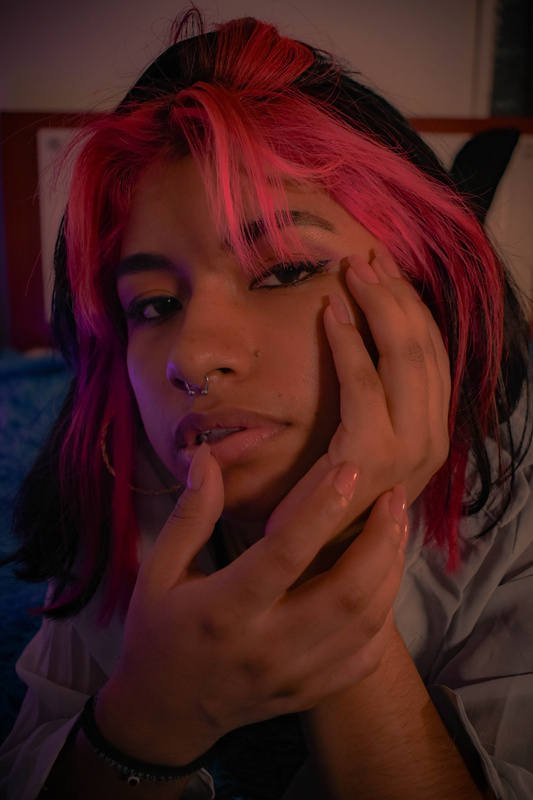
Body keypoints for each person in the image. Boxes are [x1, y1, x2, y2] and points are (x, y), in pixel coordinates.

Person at [1, 11, 532, 800]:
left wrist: (326, 560)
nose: (190, 357)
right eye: (154, 304)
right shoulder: (118, 476)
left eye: (283, 270)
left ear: (422, 293)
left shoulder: (516, 495)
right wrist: (148, 717)